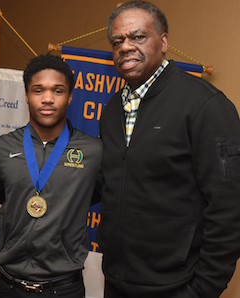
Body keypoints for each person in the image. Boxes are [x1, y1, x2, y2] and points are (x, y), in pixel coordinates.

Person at [97, 1, 240, 298]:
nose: (125, 47)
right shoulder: (111, 110)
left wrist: (202, 289)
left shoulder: (205, 106)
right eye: (117, 41)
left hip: (178, 287)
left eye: (137, 37)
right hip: (116, 282)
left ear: (163, 42)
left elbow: (229, 208)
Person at [0, 54, 102, 297]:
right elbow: (4, 194)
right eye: (38, 90)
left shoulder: (93, 151)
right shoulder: (3, 147)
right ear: (27, 95)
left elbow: (93, 194)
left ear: (70, 96)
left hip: (64, 287)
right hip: (10, 285)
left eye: (58, 91)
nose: (48, 99)